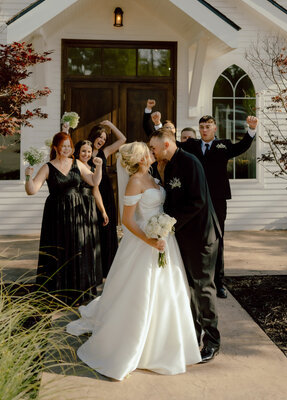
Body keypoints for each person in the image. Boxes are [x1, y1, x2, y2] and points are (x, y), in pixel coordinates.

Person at [66, 141, 201, 380]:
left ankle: (167, 345)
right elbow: (128, 221)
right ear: (140, 159)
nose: (151, 152)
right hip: (144, 243)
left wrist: (162, 232)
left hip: (163, 240)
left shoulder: (155, 177)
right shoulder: (134, 182)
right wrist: (150, 241)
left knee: (168, 293)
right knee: (141, 295)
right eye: (147, 151)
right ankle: (136, 348)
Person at [149, 129, 222, 364]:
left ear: (167, 144)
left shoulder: (190, 163)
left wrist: (170, 224)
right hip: (183, 237)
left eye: (153, 147)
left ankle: (212, 342)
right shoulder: (167, 164)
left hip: (201, 237)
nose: (152, 151)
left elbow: (198, 201)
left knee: (203, 288)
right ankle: (193, 337)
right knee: (189, 288)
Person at [181, 114, 258, 299]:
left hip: (217, 200)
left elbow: (242, 146)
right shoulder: (190, 145)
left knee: (217, 240)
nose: (204, 130)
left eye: (208, 126)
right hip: (195, 199)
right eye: (202, 127)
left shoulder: (223, 145)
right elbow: (169, 144)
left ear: (215, 128)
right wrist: (156, 123)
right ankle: (193, 279)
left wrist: (252, 129)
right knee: (193, 238)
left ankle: (219, 282)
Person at [25, 132, 102, 303]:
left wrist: (99, 167)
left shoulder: (77, 164)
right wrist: (28, 176)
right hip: (56, 216)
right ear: (56, 147)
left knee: (76, 249)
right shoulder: (47, 167)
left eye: (69, 146)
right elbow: (32, 190)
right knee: (58, 250)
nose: (67, 149)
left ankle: (77, 292)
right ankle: (57, 293)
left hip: (76, 214)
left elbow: (93, 181)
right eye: (63, 146)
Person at [88, 120, 126, 277]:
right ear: (93, 136)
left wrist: (111, 126)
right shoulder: (84, 150)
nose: (102, 141)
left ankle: (107, 267)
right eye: (100, 137)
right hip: (90, 191)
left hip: (106, 192)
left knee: (107, 227)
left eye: (104, 139)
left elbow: (122, 140)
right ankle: (93, 266)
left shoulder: (105, 152)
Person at [74, 140, 110, 291]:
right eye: (83, 151)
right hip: (78, 205)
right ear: (77, 151)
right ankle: (78, 278)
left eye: (88, 151)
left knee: (91, 241)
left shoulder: (93, 167)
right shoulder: (74, 165)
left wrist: (102, 210)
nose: (86, 154)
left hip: (90, 207)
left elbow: (96, 191)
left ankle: (91, 279)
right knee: (79, 242)